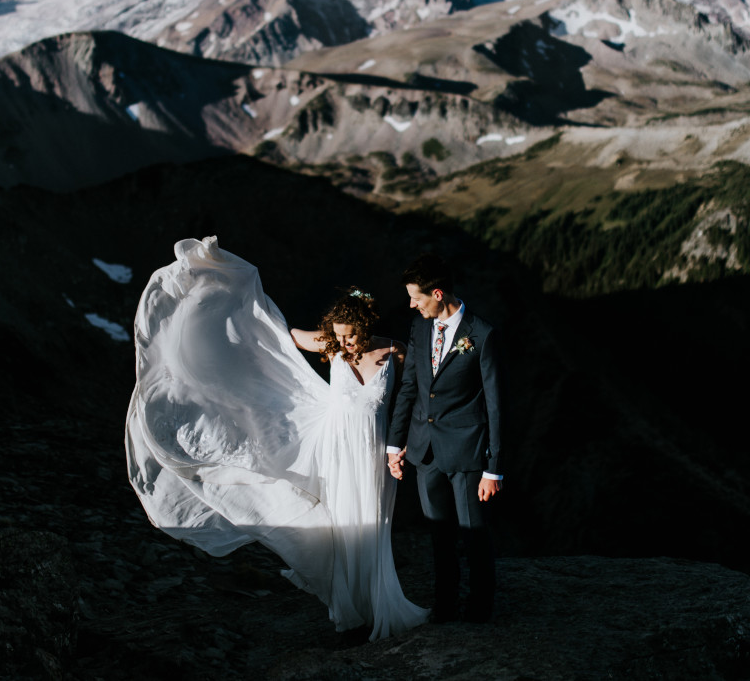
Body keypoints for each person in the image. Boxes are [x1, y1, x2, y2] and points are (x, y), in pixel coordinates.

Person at [125, 237, 428, 640]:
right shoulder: (331, 345)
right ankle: (350, 612)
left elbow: (417, 398)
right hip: (335, 450)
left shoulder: (395, 351)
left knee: (372, 523)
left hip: (372, 453)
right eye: (338, 336)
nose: (345, 343)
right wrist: (224, 289)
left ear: (366, 327)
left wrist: (404, 442)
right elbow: (280, 334)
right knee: (343, 527)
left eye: (351, 335)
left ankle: (377, 604)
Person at [387, 253, 503, 623]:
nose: (411, 304)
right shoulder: (419, 329)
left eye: (416, 298)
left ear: (437, 293)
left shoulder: (482, 333)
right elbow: (409, 388)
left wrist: (494, 469)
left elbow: (496, 404)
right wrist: (395, 444)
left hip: (467, 452)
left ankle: (481, 607)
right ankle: (446, 604)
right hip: (425, 451)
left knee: (474, 534)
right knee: (439, 534)